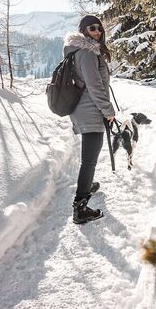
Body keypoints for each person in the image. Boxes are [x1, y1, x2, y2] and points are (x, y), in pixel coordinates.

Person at [63, 15, 116, 224]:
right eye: (92, 28)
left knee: (89, 156)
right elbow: (95, 86)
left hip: (83, 108)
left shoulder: (82, 50)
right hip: (90, 109)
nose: (97, 31)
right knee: (90, 158)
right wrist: (107, 110)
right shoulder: (86, 52)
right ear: (84, 30)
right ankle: (80, 207)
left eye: (99, 28)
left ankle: (87, 184)